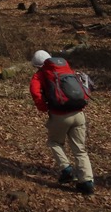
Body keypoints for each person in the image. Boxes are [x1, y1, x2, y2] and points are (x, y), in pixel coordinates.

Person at [29, 49, 95, 195]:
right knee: (80, 149)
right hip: (79, 113)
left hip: (59, 115)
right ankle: (87, 182)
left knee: (54, 142)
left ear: (37, 65)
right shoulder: (65, 68)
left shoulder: (40, 75)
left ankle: (66, 169)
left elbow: (35, 92)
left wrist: (44, 108)